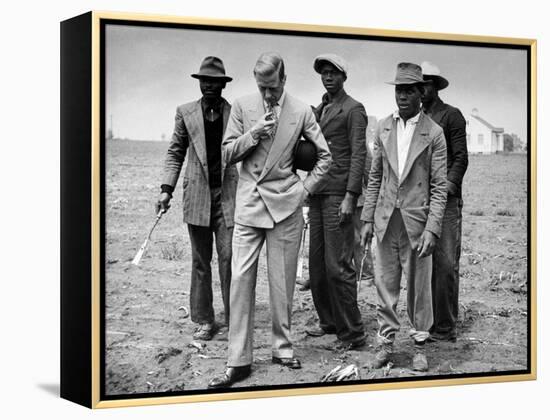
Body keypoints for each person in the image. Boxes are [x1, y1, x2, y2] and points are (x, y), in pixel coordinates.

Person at [208, 52, 331, 389]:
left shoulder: (302, 110)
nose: (267, 95)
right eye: (262, 87)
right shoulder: (242, 106)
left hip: (285, 206)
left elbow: (325, 157)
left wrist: (304, 190)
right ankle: (238, 360)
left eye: (272, 88)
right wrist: (254, 134)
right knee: (240, 285)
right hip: (249, 206)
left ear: (284, 80)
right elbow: (226, 153)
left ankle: (282, 347)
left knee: (282, 285)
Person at [360, 62, 447, 372]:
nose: (403, 96)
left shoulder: (433, 133)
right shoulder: (383, 126)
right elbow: (375, 177)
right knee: (385, 284)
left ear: (420, 93)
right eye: (399, 90)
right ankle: (385, 344)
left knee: (419, 288)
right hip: (386, 219)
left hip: (417, 222)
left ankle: (420, 346)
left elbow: (439, 187)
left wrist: (432, 229)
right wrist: (368, 219)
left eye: (409, 90)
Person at [157, 56, 238, 341]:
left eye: (214, 81)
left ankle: (234, 319)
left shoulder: (235, 112)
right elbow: (175, 152)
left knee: (229, 259)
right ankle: (205, 320)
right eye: (205, 80)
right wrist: (166, 189)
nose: (209, 86)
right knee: (200, 261)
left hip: (228, 197)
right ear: (200, 83)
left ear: (223, 84)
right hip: (197, 198)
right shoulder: (185, 112)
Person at [305, 54, 368, 350]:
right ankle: (329, 322)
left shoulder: (354, 109)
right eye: (324, 73)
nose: (328, 77)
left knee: (338, 266)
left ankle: (353, 332)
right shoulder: (320, 108)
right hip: (318, 192)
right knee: (317, 265)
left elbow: (359, 155)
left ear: (344, 77)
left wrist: (350, 197)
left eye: (334, 73)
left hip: (338, 195)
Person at [421, 61, 468, 342]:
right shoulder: (414, 118)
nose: (422, 88)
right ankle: (426, 322)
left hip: (447, 202)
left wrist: (446, 189)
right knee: (423, 263)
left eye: (427, 83)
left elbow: (461, 158)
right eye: (418, 84)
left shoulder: (452, 116)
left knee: (446, 263)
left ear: (436, 86)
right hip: (420, 199)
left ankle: (446, 325)